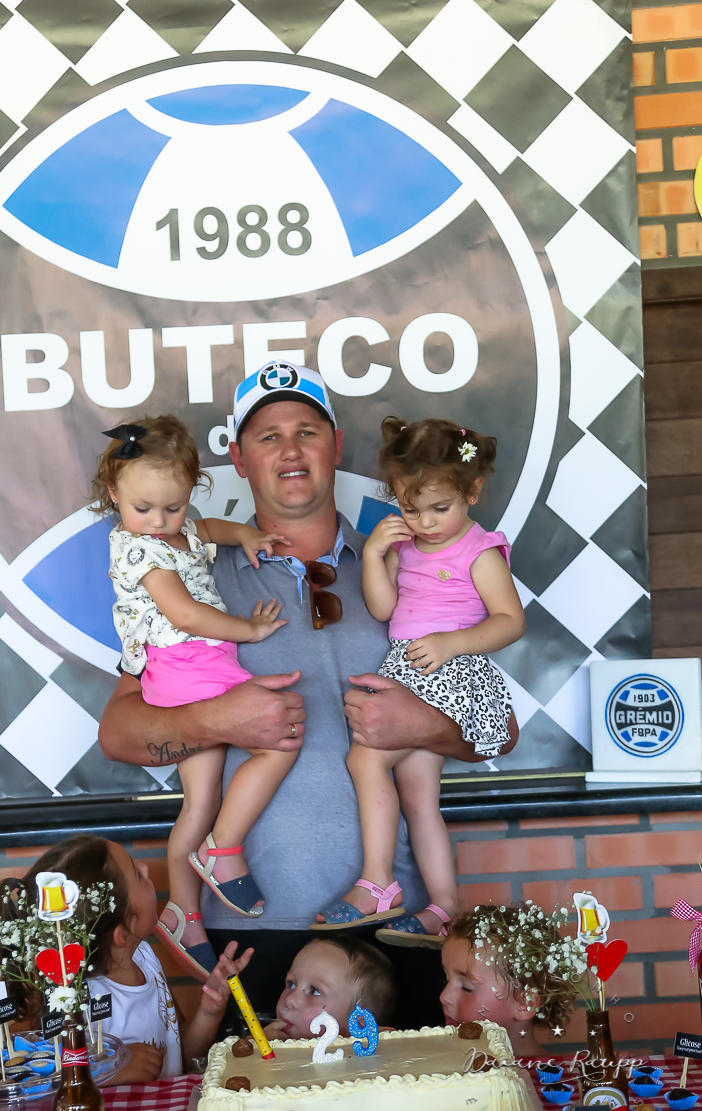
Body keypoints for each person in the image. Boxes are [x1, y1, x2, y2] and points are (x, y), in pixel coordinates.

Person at [98, 363, 518, 1024]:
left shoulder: (406, 564)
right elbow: (119, 733)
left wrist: (422, 725)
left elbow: (500, 730)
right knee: (255, 1095)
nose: (290, 450)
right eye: (268, 437)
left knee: (411, 1094)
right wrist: (218, 719)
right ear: (238, 458)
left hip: (397, 928)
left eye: (307, 431)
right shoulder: (189, 576)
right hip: (251, 930)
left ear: (337, 446)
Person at [93, 416, 297, 978]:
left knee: (199, 800)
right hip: (188, 662)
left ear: (191, 490)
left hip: (194, 664)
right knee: (279, 740)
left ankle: (183, 910)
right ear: (114, 494)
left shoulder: (180, 531)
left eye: (173, 507)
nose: (159, 522)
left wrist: (246, 536)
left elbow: (208, 529)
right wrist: (249, 629)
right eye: (143, 508)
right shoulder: (140, 551)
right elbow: (183, 613)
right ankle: (223, 849)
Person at [315, 417, 524, 938]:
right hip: (411, 672)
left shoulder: (479, 551)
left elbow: (510, 621)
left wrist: (452, 642)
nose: (425, 522)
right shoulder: (405, 547)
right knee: (418, 796)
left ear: (472, 491)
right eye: (411, 509)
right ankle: (445, 906)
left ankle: (378, 882)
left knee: (365, 758)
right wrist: (373, 554)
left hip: (450, 672)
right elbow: (383, 608)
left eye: (439, 508)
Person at [0, 836, 253, 1084]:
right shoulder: (75, 999)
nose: (145, 867)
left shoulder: (144, 957)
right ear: (124, 932)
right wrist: (111, 1070)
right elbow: (51, 1084)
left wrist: (209, 1012)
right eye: (137, 874)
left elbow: (179, 1053)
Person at [435, 903, 578, 1056]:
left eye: (466, 987)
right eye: (446, 980)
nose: (444, 997)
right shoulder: (439, 1065)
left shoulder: (551, 1072)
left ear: (525, 1003)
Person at [264, 935, 396, 1042]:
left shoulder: (367, 1063)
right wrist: (261, 1047)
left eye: (314, 991)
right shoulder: (267, 1041)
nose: (290, 1000)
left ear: (359, 1027)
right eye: (291, 984)